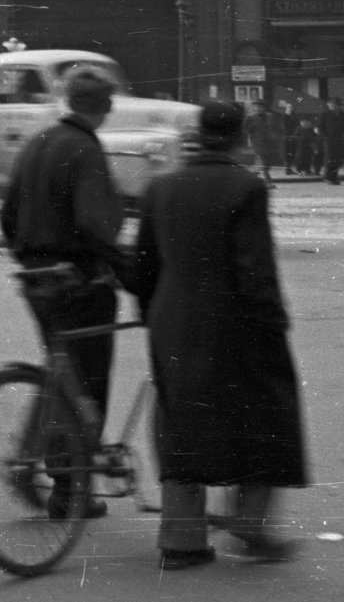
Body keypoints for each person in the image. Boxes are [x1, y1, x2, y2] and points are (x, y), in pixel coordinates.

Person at [134, 101, 308, 569]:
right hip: (233, 321)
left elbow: (143, 266)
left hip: (173, 321)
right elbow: (254, 267)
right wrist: (273, 322)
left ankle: (181, 541)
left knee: (183, 424)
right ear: (240, 138)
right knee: (265, 415)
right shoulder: (246, 187)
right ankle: (250, 523)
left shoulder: (161, 186)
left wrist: (154, 317)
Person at [0, 66, 128, 519]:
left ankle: (52, 473)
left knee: (61, 371)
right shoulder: (85, 148)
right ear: (106, 106)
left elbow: (8, 213)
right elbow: (96, 223)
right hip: (78, 280)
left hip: (38, 279)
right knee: (87, 384)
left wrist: (29, 260)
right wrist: (126, 268)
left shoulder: (38, 143)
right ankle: (70, 488)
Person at [245, 100, 282, 186]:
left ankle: (250, 178)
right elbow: (245, 129)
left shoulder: (270, 116)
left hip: (269, 143)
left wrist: (274, 135)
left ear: (263, 107)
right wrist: (253, 134)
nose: (257, 108)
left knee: (266, 163)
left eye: (259, 107)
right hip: (257, 143)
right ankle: (267, 181)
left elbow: (274, 127)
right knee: (263, 162)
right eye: (255, 107)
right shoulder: (251, 117)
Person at [321, 96, 344, 185]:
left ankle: (333, 178)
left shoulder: (342, 114)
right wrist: (325, 137)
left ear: (338, 105)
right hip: (329, 140)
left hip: (339, 139)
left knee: (337, 159)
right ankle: (328, 177)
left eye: (333, 103)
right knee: (330, 158)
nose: (331, 105)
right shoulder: (325, 114)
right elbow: (320, 127)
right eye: (330, 103)